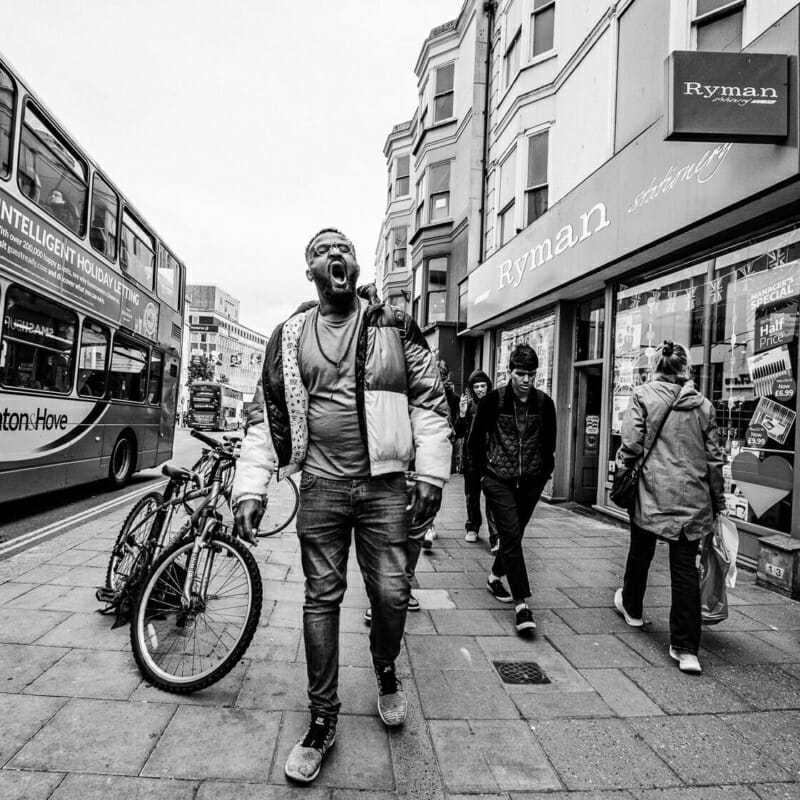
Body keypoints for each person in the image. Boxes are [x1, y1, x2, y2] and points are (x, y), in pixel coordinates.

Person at [232, 227, 451, 784]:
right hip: (322, 489)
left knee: (393, 592)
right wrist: (251, 487)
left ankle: (384, 665)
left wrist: (429, 471)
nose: (337, 255)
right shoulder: (287, 337)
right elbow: (267, 417)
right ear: (309, 271)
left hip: (384, 488)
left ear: (356, 268)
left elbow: (429, 398)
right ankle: (322, 718)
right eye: (323, 251)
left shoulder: (393, 326)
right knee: (320, 600)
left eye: (345, 249)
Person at [614, 340, 725, 675]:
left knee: (640, 551)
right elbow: (715, 459)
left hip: (651, 492)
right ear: (685, 370)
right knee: (685, 570)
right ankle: (686, 649)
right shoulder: (703, 405)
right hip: (693, 499)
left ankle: (632, 607)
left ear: (656, 368)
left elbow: (630, 445)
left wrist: (622, 470)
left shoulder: (642, 396)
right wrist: (718, 502)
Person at [467, 343, 556, 637]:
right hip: (498, 478)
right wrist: (482, 477)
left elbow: (550, 444)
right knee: (511, 536)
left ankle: (494, 576)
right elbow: (475, 442)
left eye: (531, 373)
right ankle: (521, 606)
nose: (527, 380)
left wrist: (543, 474)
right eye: (521, 373)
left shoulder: (544, 404)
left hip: (531, 481)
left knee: (512, 536)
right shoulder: (493, 401)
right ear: (509, 372)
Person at [455, 369, 498, 548]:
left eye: (483, 385)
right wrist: (463, 414)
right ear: (471, 388)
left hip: (491, 458)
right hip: (472, 457)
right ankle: (472, 527)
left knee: (493, 497)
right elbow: (458, 432)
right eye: (477, 386)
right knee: (472, 495)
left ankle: (495, 536)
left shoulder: (495, 405)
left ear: (488, 386)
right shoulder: (469, 406)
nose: (480, 389)